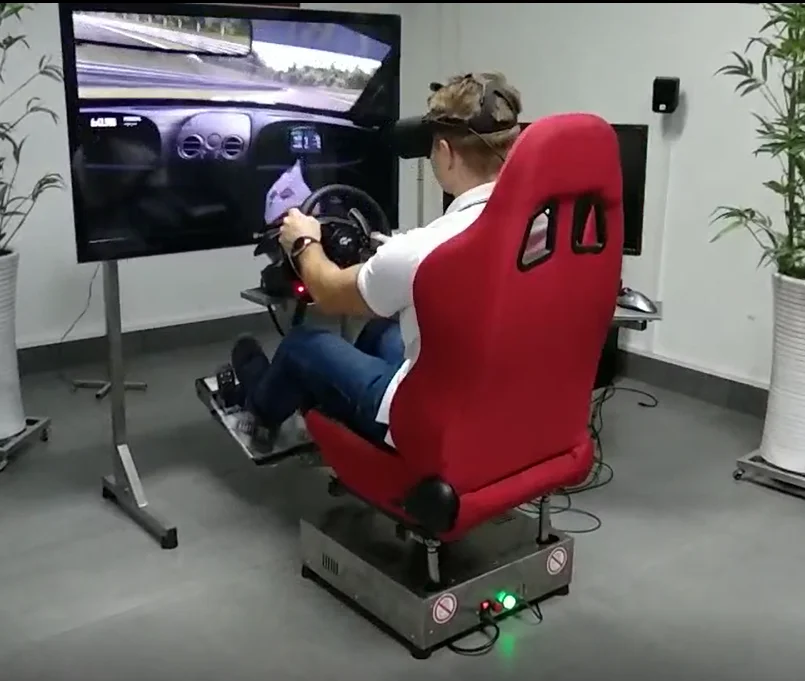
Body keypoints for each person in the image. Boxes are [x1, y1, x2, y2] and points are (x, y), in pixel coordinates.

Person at [231, 72, 523, 447]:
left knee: (302, 344)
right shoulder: (546, 224)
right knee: (381, 331)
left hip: (428, 425)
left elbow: (329, 292)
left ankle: (259, 412)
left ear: (446, 152)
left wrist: (304, 240)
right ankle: (330, 394)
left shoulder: (422, 250)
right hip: (502, 398)